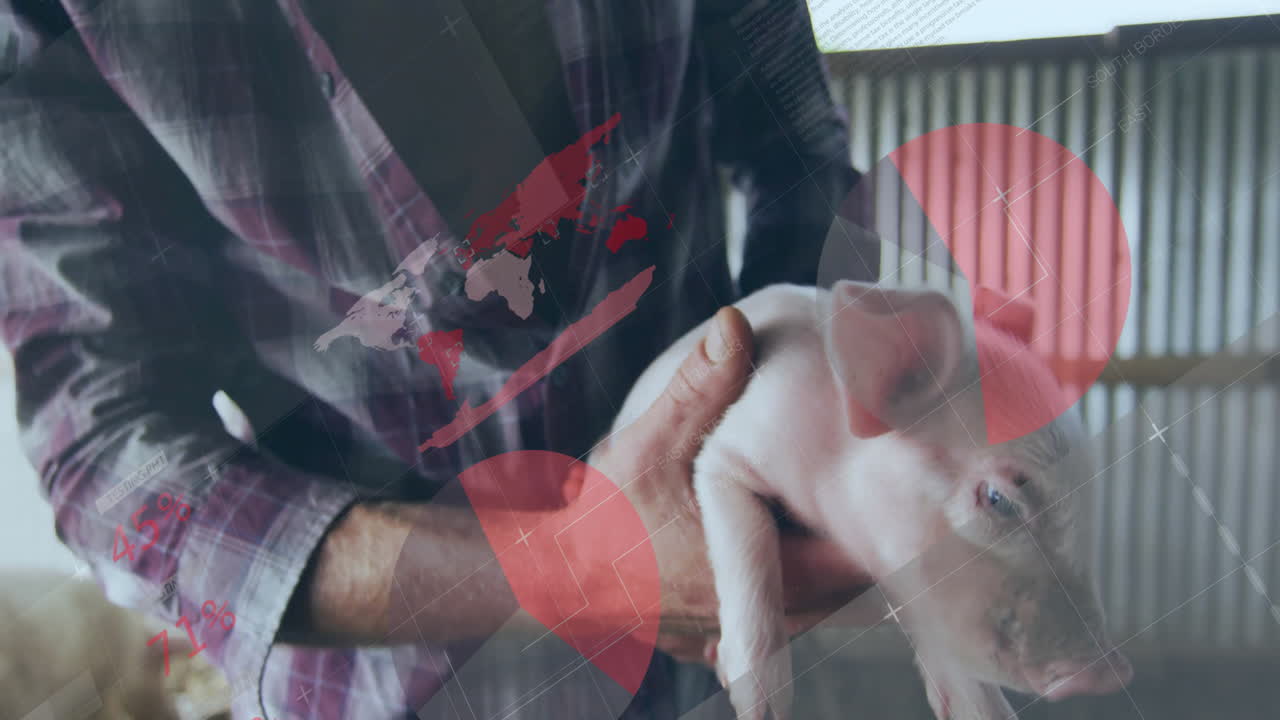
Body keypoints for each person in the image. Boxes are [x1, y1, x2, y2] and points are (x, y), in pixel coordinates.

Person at [0, 0, 879, 717]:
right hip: (380, 691)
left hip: (722, 650)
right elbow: (112, 462)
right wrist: (567, 566)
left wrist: (773, 442)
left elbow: (799, 151)